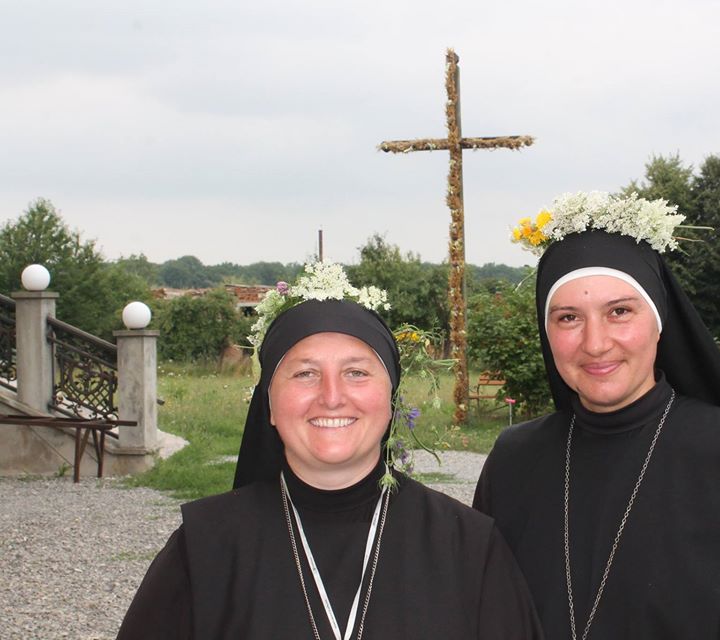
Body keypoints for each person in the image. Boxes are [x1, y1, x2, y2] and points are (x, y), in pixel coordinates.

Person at [473, 192, 720, 639]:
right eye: (568, 318)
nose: (596, 343)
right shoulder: (514, 459)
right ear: (546, 332)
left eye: (619, 311)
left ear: (660, 320)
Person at [118, 262, 543, 640]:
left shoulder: (468, 547)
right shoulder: (204, 547)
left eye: (356, 372)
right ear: (269, 404)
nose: (332, 397)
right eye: (305, 373)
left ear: (391, 398)